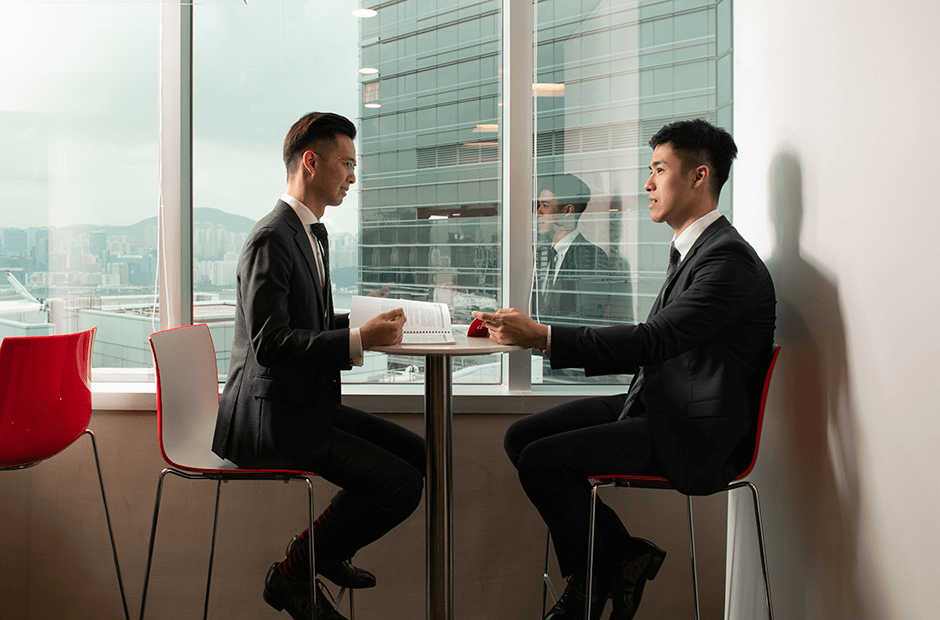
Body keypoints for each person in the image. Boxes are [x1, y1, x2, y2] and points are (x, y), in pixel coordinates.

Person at [473, 119, 776, 620]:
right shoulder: (695, 251)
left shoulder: (728, 262)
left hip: (694, 433)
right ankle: (620, 557)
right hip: (660, 407)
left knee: (542, 462)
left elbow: (653, 340)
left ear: (700, 176)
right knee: (522, 438)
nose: (648, 183)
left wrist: (544, 337)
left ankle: (593, 578)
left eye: (659, 169)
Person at [213, 112, 426, 620]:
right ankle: (295, 572)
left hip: (304, 402)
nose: (353, 176)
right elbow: (271, 342)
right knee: (400, 484)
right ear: (312, 162)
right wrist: (357, 339)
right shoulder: (273, 237)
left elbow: (302, 321)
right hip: (273, 419)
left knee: (418, 453)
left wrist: (361, 320)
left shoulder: (308, 232)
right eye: (347, 163)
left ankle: (323, 551)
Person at [532, 174, 611, 328]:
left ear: (567, 211)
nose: (538, 213)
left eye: (545, 206)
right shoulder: (539, 254)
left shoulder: (593, 256)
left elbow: (589, 319)